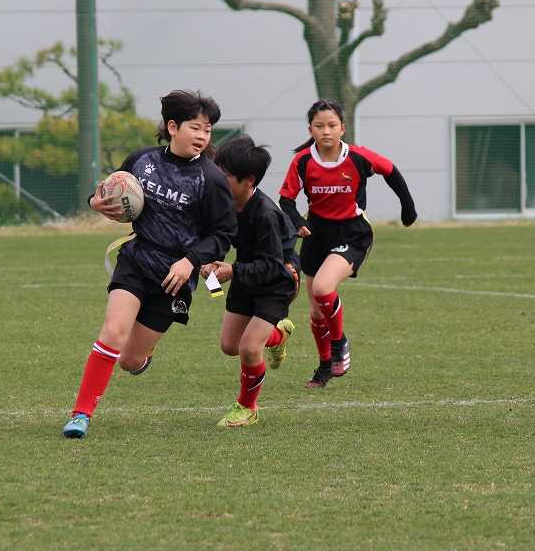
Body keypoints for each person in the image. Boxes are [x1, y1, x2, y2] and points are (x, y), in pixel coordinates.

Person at [62, 90, 237, 439]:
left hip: (174, 278)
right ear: (172, 127)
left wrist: (190, 261)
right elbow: (110, 191)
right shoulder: (142, 161)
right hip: (137, 260)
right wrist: (95, 201)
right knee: (113, 331)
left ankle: (141, 358)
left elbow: (224, 233)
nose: (202, 136)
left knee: (129, 360)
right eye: (195, 128)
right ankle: (81, 414)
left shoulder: (211, 180)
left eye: (207, 130)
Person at [278, 99, 417, 388]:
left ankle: (339, 342)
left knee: (322, 287)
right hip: (316, 234)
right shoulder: (303, 161)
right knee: (316, 312)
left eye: (332, 125)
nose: (326, 131)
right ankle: (324, 366)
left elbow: (391, 171)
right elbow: (286, 200)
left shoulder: (357, 157)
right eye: (319, 126)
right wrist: (298, 222)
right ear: (310, 129)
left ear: (342, 128)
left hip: (352, 233)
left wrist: (408, 208)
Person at [201, 134, 298, 428]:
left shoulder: (265, 214)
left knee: (249, 347)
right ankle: (277, 335)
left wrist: (231, 271)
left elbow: (272, 265)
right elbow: (220, 237)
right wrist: (210, 264)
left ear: (248, 181)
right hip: (246, 272)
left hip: (277, 280)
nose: (217, 180)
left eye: (225, 176)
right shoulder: (225, 203)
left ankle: (247, 408)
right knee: (230, 345)